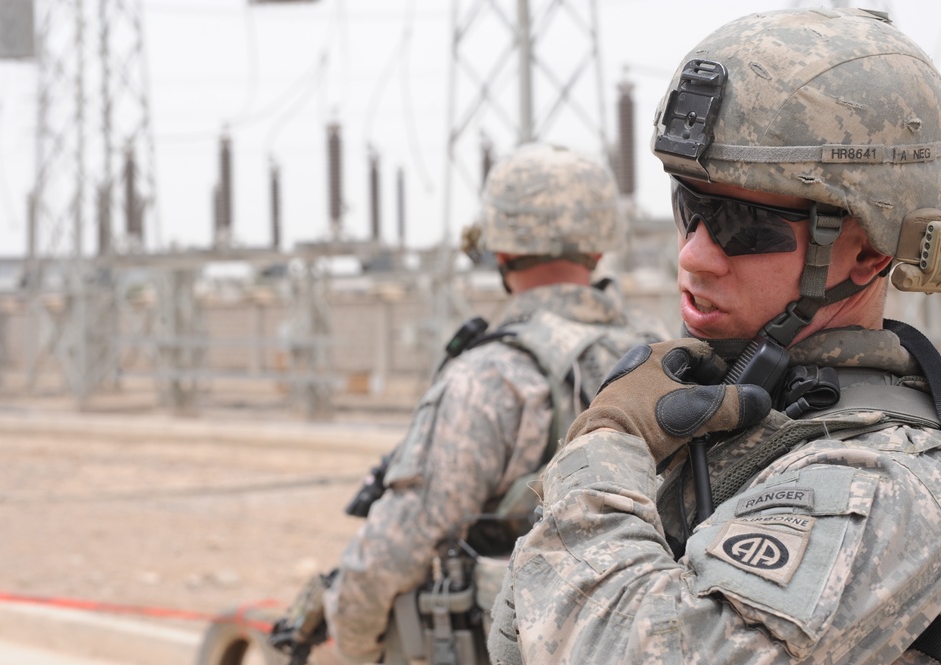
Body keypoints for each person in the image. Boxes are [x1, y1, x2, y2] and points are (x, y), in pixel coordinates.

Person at [488, 8, 941, 665]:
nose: (695, 255)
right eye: (690, 209)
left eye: (739, 223)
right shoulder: (736, 411)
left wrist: (606, 444)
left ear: (868, 251)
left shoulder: (886, 477)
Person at [321, 142, 669, 665]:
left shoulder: (490, 376)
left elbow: (396, 549)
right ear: (599, 248)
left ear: (499, 251)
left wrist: (351, 640)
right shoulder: (663, 354)